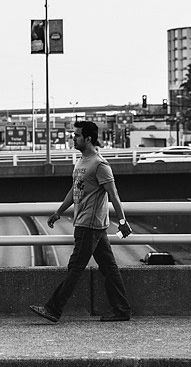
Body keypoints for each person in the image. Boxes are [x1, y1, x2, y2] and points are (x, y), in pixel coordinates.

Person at [30, 120, 133, 324]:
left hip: (89, 225)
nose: (73, 138)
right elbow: (75, 190)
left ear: (88, 138)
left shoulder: (100, 164)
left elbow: (114, 195)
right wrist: (59, 212)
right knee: (109, 269)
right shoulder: (80, 162)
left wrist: (122, 221)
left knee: (75, 268)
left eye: (76, 135)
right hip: (89, 225)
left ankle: (53, 308)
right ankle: (122, 309)